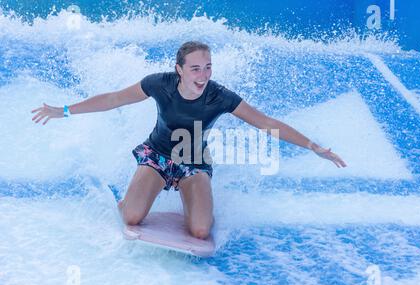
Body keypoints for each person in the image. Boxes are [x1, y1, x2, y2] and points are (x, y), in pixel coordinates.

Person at [31, 41, 347, 240]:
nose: (203, 74)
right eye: (195, 68)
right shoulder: (159, 84)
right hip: (156, 156)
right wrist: (65, 110)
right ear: (179, 70)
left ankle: (198, 203)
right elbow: (115, 99)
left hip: (194, 163)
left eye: (208, 67)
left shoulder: (220, 96)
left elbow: (266, 122)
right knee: (131, 217)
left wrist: (314, 147)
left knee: (199, 231)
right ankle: (132, 197)